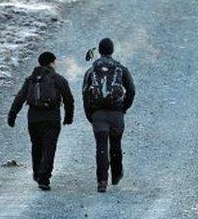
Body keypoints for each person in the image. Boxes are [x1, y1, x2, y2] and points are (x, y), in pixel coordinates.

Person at [7, 51, 74, 191]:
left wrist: (12, 115)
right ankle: (44, 178)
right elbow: (68, 99)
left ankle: (37, 173)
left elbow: (20, 97)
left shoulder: (31, 79)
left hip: (33, 119)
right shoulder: (57, 78)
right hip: (52, 119)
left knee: (36, 146)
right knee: (49, 148)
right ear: (51, 62)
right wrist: (68, 117)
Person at [82, 38, 136, 193]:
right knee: (116, 144)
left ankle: (102, 181)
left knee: (101, 147)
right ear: (112, 51)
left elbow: (85, 92)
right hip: (116, 114)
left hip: (98, 114)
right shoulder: (120, 68)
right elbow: (131, 90)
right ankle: (116, 175)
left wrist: (90, 114)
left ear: (99, 51)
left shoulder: (92, 69)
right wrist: (123, 108)